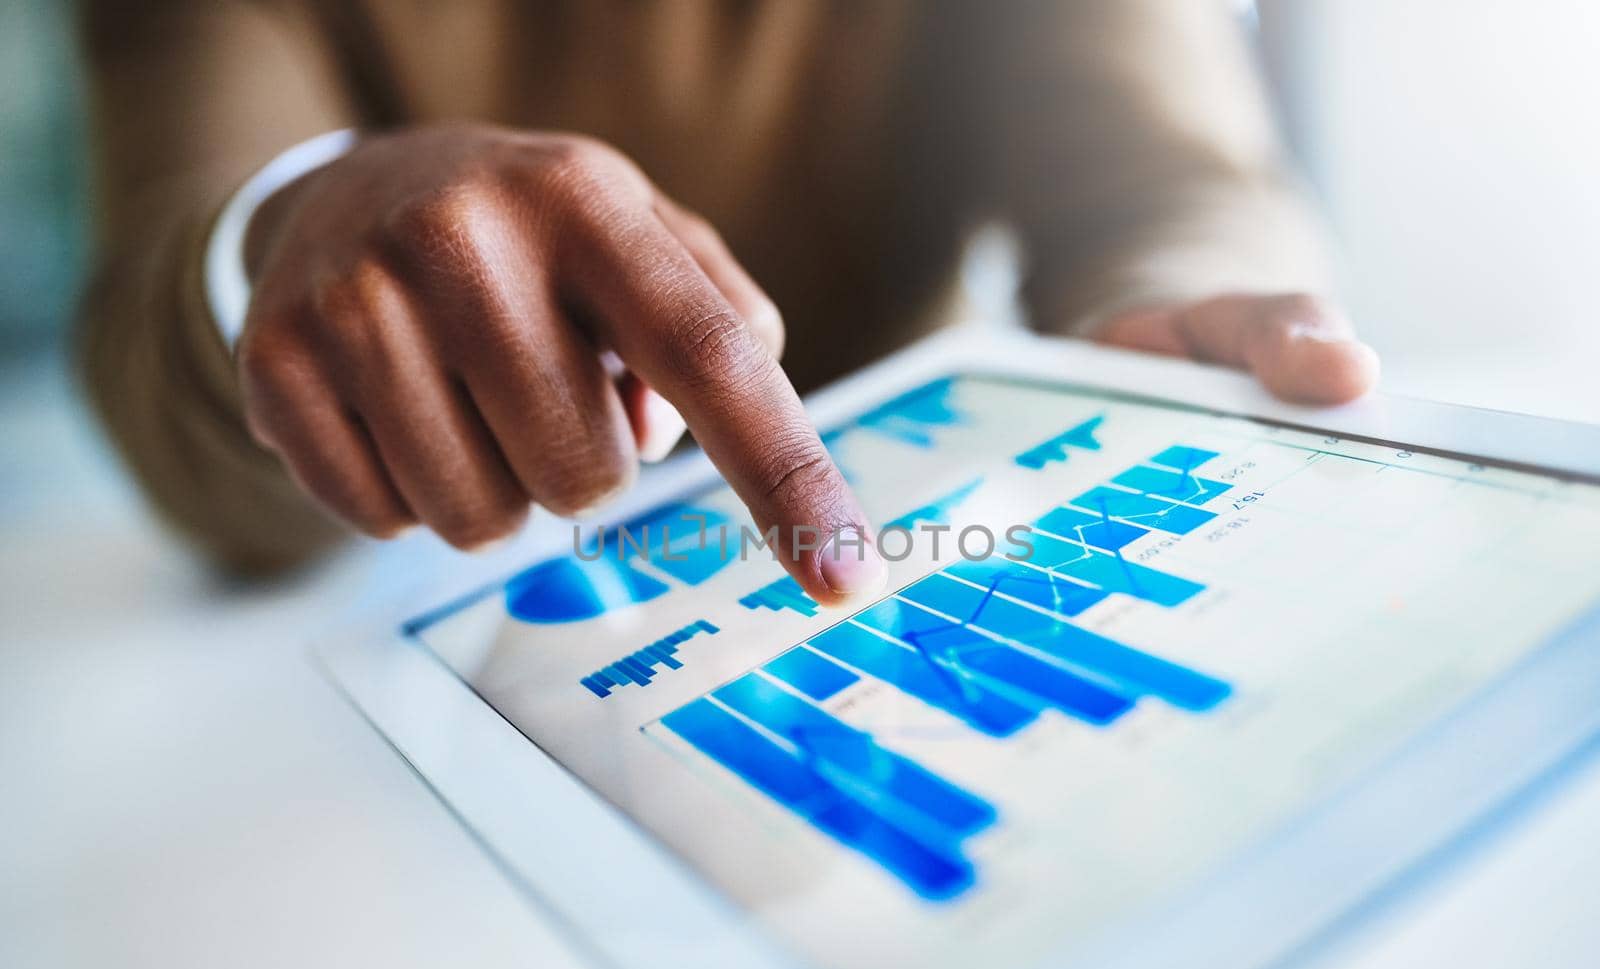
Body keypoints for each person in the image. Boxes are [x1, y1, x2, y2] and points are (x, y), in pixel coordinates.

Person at [76, 0, 1378, 603]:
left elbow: (1166, 182)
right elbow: (155, 323)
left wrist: (1170, 312)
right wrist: (284, 235)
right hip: (442, 619)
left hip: (910, 547)